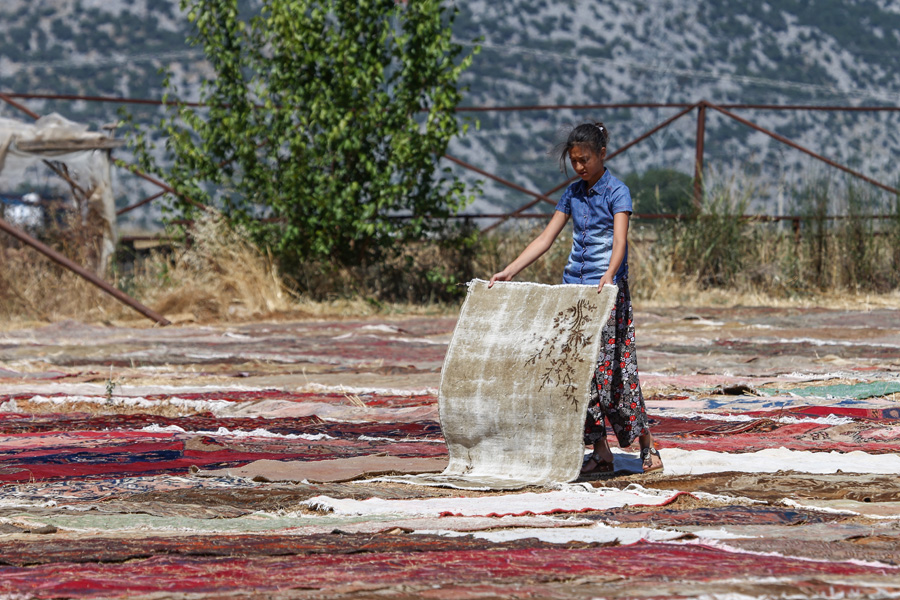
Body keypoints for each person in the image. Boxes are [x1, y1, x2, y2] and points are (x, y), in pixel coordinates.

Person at [488, 121, 663, 476]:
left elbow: (619, 242)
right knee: (573, 373)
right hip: (575, 294)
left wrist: (610, 273)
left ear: (602, 153)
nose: (580, 167)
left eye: (585, 159)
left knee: (614, 372)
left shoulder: (618, 192)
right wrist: (510, 270)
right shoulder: (572, 194)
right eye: (575, 161)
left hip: (608, 293)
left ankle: (647, 446)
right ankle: (601, 452)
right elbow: (545, 239)